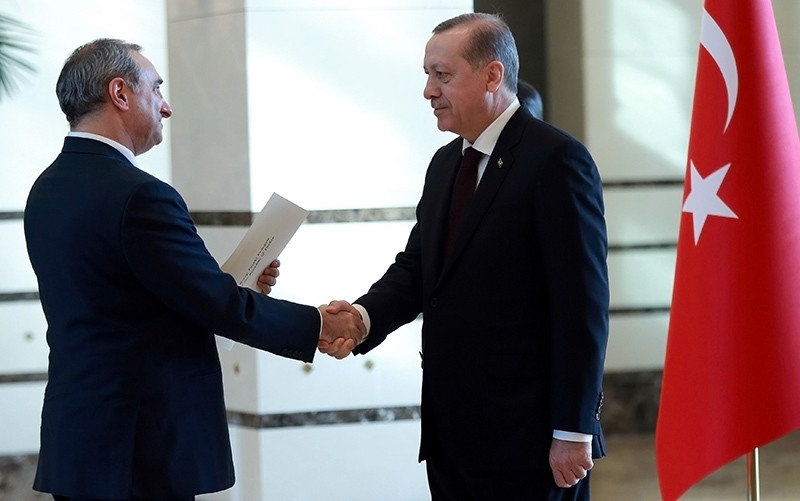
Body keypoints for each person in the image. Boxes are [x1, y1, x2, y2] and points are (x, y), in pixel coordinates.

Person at [23, 38, 364, 501]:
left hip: (82, 443)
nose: (166, 108)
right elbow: (214, 303)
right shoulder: (141, 195)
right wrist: (320, 324)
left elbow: (131, 300)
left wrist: (236, 285)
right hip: (138, 447)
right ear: (120, 94)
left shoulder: (46, 188)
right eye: (156, 89)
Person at [322, 12, 609, 500]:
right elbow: (417, 270)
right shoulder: (445, 163)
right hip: (452, 435)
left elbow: (581, 306)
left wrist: (573, 430)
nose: (429, 92)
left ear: (492, 75)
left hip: (530, 441)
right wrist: (362, 318)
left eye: (443, 75)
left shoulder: (556, 160)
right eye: (428, 76)